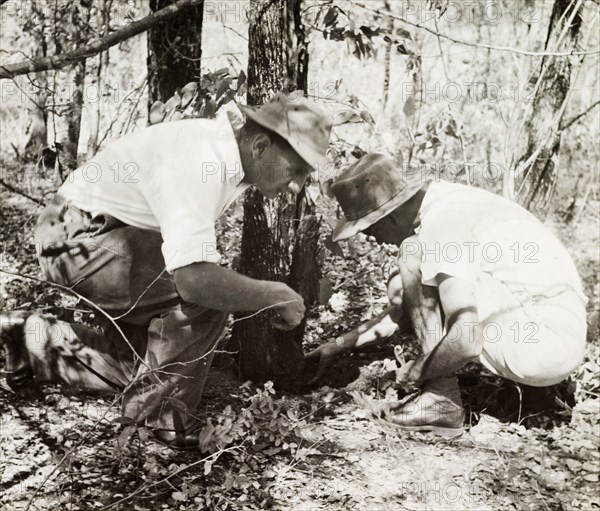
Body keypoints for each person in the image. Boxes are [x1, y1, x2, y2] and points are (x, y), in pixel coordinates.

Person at [0, 91, 333, 449]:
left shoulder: (222, 155)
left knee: (145, 368)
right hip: (73, 239)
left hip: (100, 236)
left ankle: (27, 339)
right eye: (295, 169)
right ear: (261, 146)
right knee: (206, 296)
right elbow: (194, 282)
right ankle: (155, 427)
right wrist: (275, 294)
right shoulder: (201, 159)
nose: (297, 184)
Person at [307, 153, 587, 435]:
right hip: (560, 341)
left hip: (539, 348)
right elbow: (404, 312)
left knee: (412, 254)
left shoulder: (441, 225)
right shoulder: (450, 200)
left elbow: (466, 340)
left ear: (389, 216)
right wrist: (339, 344)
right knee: (407, 276)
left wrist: (418, 371)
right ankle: (538, 393)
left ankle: (440, 401)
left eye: (368, 227)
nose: (371, 238)